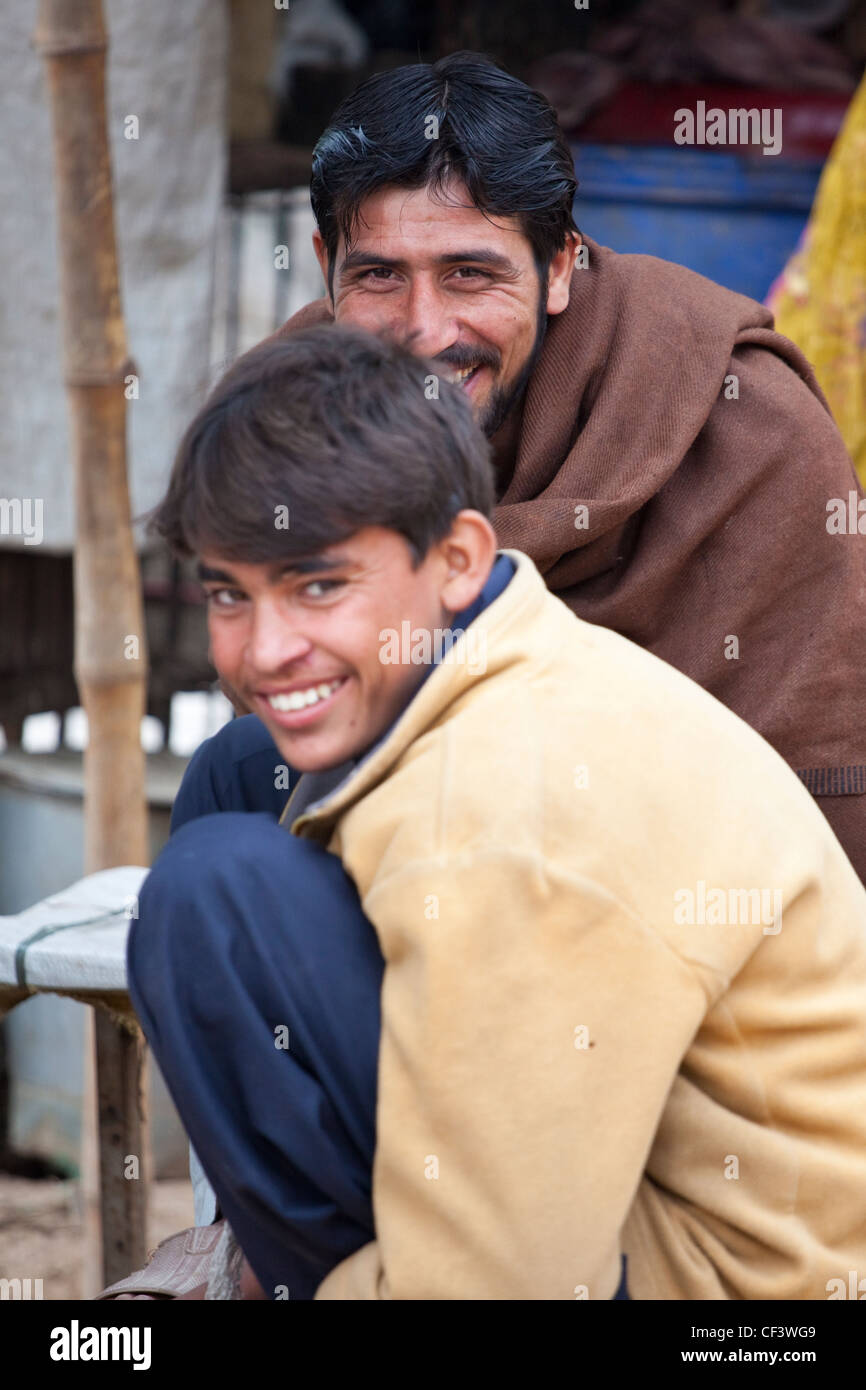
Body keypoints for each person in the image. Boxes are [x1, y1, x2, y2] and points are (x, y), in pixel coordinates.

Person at [121, 325, 866, 1300]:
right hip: (657, 1204)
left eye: (318, 586)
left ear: (460, 559)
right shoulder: (506, 655)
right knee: (240, 778)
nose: (265, 649)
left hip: (744, 1296)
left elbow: (505, 1290)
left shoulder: (495, 808)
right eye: (231, 594)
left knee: (213, 899)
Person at [249, 50, 866, 887]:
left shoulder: (741, 423)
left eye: (471, 275)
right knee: (234, 774)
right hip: (393, 876)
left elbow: (817, 797)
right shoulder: (289, 412)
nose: (426, 331)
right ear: (325, 265)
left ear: (561, 268)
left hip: (673, 921)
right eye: (379, 278)